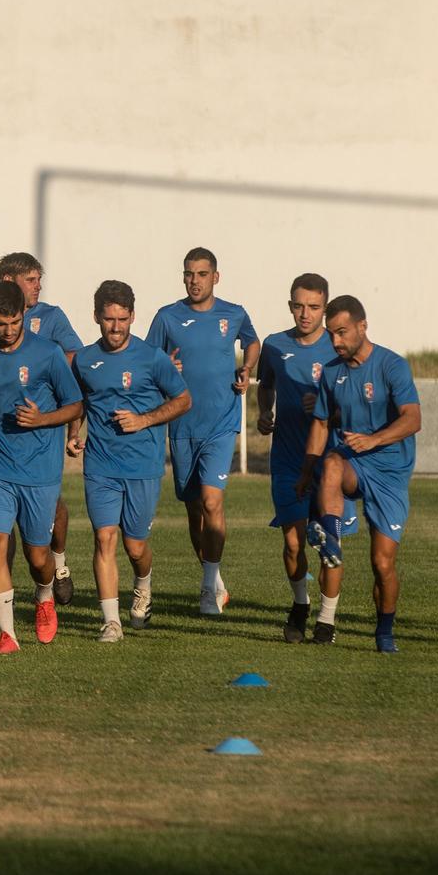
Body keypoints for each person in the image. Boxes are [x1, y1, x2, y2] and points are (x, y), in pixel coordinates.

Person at [0, 280, 83, 652]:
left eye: (14, 322)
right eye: (0, 324)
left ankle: (44, 596)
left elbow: (75, 404)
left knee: (37, 557)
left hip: (40, 469)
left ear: (24, 314)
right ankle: (8, 635)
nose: (8, 331)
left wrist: (43, 420)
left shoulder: (48, 354)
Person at [69, 280, 191, 642]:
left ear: (133, 317)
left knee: (134, 546)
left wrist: (144, 420)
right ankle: (111, 622)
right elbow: (78, 403)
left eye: (122, 319)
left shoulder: (152, 358)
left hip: (143, 466)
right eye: (109, 319)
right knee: (104, 538)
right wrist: (74, 434)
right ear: (96, 317)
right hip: (101, 465)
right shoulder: (85, 360)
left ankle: (143, 584)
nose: (116, 327)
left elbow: (183, 400)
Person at [301, 295, 422, 653]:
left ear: (362, 326)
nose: (336, 342)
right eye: (331, 335)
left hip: (390, 473)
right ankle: (333, 540)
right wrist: (307, 472)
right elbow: (321, 424)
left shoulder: (392, 366)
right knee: (333, 463)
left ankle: (384, 630)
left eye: (342, 333)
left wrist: (374, 440)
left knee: (382, 563)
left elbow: (413, 419)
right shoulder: (332, 372)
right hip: (353, 462)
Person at [144, 247, 258, 616]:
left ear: (216, 277)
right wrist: (165, 367)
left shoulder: (234, 314)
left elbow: (252, 342)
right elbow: (146, 363)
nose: (195, 281)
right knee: (194, 509)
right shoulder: (166, 317)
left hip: (221, 424)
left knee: (212, 501)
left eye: (202, 274)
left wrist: (247, 369)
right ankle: (215, 579)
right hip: (182, 428)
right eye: (189, 274)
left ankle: (207, 591)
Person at [255, 273, 353, 643]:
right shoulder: (275, 345)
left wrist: (327, 406)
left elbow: (356, 401)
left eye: (313, 307)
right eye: (299, 306)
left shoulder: (338, 347)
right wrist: (264, 414)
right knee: (293, 543)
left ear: (325, 309)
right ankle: (300, 604)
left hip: (331, 461)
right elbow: (267, 386)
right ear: (290, 305)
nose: (305, 314)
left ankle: (327, 621)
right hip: (286, 458)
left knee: (330, 544)